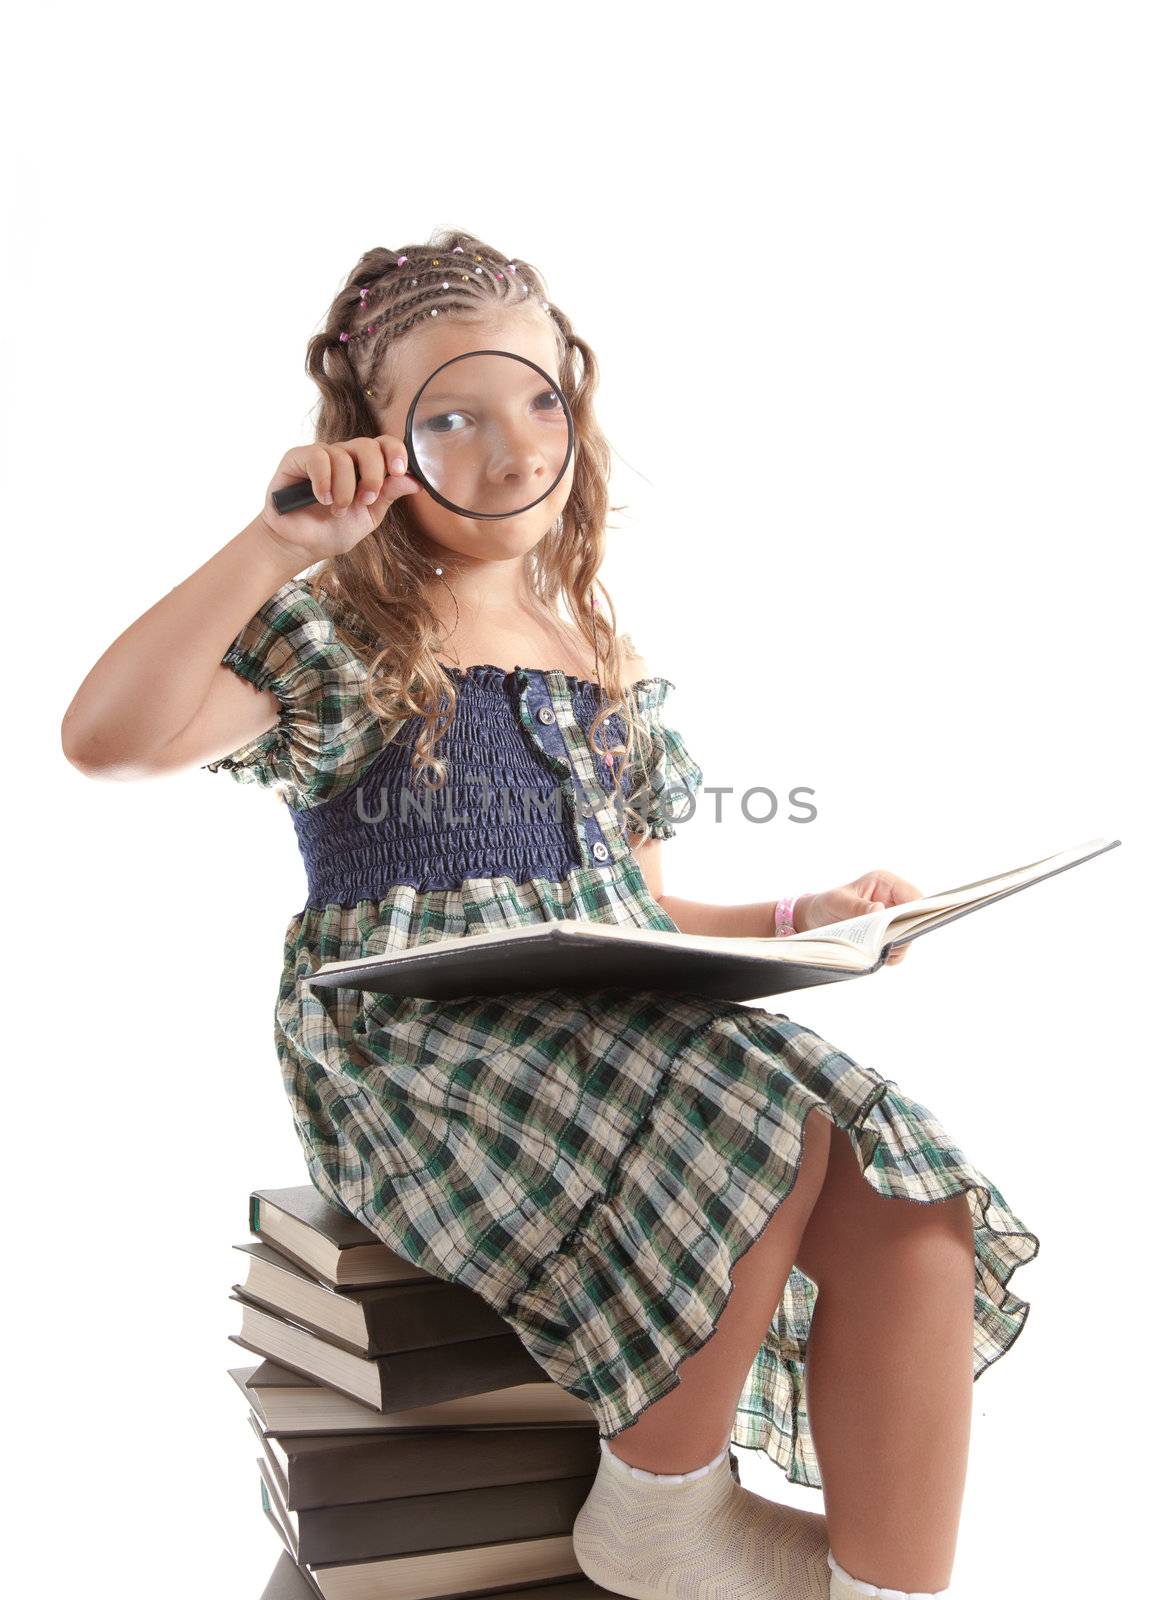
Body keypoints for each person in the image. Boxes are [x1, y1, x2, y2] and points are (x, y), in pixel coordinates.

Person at [61, 228, 1039, 1600]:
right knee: (762, 1117)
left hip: (602, 1018)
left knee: (901, 1177)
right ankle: (659, 1507)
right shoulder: (341, 635)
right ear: (376, 446)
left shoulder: (595, 655)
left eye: (539, 402)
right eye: (451, 417)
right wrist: (273, 541)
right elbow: (110, 740)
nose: (515, 451)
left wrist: (802, 911)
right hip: (416, 1044)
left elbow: (629, 905)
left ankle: (881, 1587)